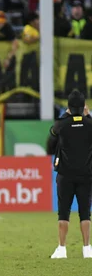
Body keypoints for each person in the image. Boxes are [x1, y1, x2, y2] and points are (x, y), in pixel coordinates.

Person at [46, 90, 92, 259]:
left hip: (65, 174)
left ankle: (62, 248)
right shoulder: (89, 124)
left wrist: (67, 115)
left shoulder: (62, 124)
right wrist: (87, 116)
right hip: (86, 174)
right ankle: (87, 248)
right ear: (83, 106)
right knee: (85, 212)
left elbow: (51, 137)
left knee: (63, 212)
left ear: (69, 107)